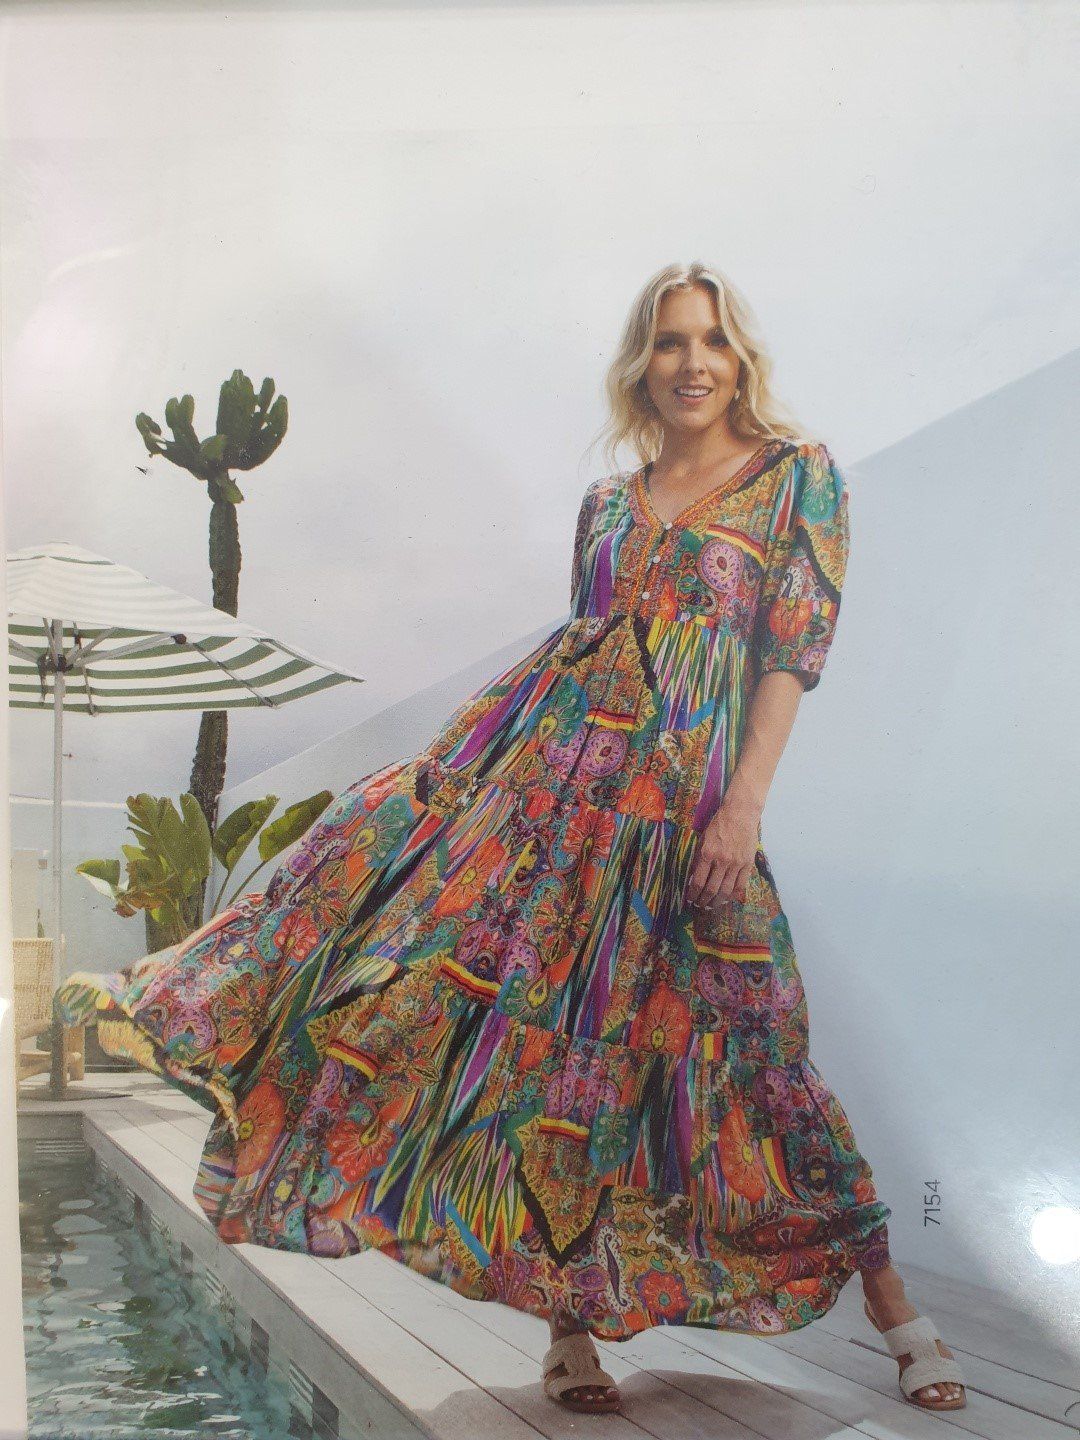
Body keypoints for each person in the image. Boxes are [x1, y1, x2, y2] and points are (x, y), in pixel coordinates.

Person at [55, 262, 965, 1417]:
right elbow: (590, 656)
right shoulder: (609, 504)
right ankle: (569, 1331)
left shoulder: (797, 480)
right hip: (561, 803)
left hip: (691, 816)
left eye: (712, 343)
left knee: (761, 1051)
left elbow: (790, 650)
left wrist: (743, 805)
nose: (692, 364)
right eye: (670, 343)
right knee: (555, 1062)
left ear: (741, 362)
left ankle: (897, 1311)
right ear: (642, 364)